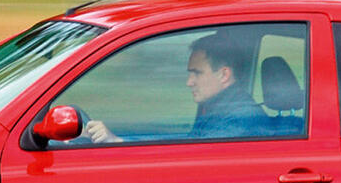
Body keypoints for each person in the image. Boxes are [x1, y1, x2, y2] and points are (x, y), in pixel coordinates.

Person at [84, 32, 268, 143]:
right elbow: (185, 142)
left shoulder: (240, 120)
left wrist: (118, 141)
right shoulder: (220, 111)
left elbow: (193, 155)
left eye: (197, 73)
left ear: (224, 75)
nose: (189, 82)